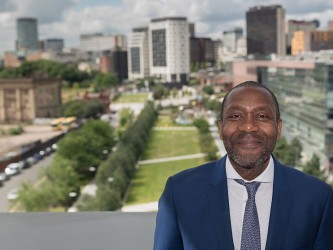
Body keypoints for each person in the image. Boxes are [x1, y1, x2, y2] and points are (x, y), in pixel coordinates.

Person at [153, 81, 333, 250]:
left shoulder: (318, 199)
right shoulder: (179, 193)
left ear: (278, 129)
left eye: (262, 116)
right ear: (221, 128)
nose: (248, 126)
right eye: (236, 116)